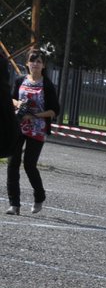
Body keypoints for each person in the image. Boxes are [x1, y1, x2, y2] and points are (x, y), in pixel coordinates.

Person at [8, 48, 57, 215]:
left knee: (29, 164)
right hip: (19, 125)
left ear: (43, 65)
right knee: (13, 163)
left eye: (39, 61)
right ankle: (14, 204)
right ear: (27, 63)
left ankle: (39, 196)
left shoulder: (47, 84)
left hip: (37, 128)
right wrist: (19, 105)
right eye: (32, 60)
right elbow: (12, 98)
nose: (35, 64)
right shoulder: (20, 80)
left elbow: (53, 110)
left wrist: (35, 115)